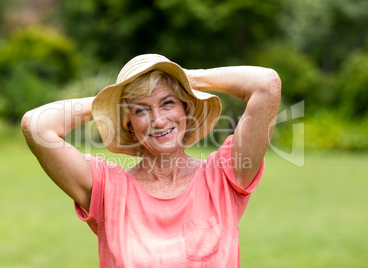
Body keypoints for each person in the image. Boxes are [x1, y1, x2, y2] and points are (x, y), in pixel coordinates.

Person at [21, 54, 281, 267]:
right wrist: (111, 100)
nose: (158, 120)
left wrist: (187, 79)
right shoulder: (107, 189)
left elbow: (266, 84)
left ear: (186, 109)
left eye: (168, 102)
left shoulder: (223, 176)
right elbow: (36, 126)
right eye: (141, 110)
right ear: (129, 125)